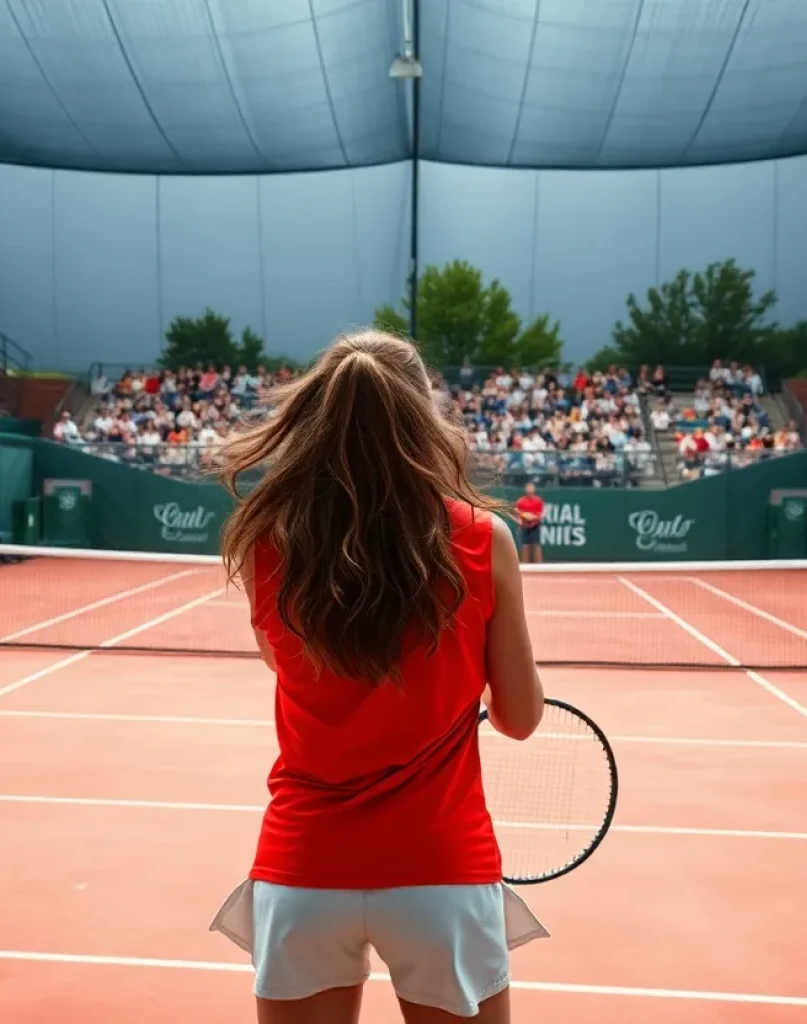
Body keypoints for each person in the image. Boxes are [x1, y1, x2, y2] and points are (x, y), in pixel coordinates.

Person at [209, 330, 548, 1024]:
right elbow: (520, 718)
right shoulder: (484, 539)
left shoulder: (267, 542)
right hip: (440, 869)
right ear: (425, 419)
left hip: (303, 870)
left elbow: (284, 662)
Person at [514, 481, 544, 564]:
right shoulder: (520, 501)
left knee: (536, 547)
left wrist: (532, 517)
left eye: (531, 490)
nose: (530, 492)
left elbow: (540, 514)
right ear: (526, 491)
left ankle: (539, 568)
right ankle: (525, 567)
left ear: (534, 491)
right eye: (528, 490)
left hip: (535, 527)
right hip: (524, 527)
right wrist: (523, 516)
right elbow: (517, 514)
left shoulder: (538, 501)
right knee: (525, 547)